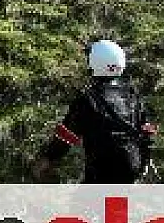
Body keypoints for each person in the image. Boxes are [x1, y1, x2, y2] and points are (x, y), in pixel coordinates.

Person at [31, 39, 156, 184]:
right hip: (131, 167)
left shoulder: (88, 99)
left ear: (95, 63)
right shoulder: (132, 95)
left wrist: (47, 159)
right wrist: (144, 159)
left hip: (103, 171)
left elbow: (66, 137)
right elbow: (146, 130)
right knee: (114, 205)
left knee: (85, 205)